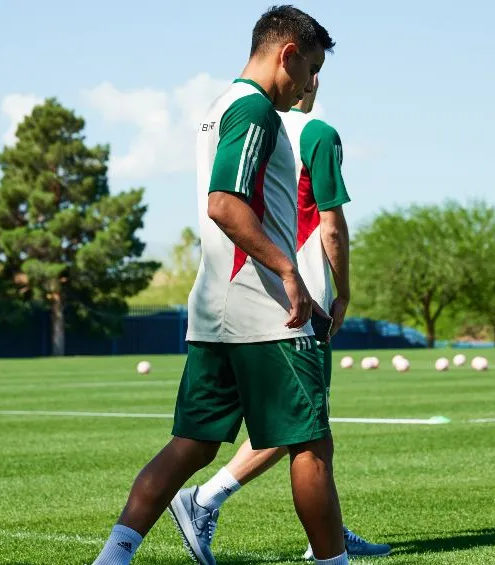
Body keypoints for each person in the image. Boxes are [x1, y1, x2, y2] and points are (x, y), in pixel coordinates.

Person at [89, 5, 348, 565]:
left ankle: (113, 558)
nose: (310, 83)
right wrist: (288, 271)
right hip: (267, 312)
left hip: (214, 310)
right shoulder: (256, 110)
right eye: (311, 68)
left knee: (194, 444)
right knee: (310, 443)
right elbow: (225, 205)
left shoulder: (217, 107)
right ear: (288, 55)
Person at [167, 77, 392, 561]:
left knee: (303, 427)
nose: (312, 81)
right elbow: (330, 224)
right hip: (299, 298)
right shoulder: (318, 134)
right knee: (306, 425)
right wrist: (344, 291)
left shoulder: (250, 122)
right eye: (312, 68)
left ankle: (324, 532)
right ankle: (208, 499)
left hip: (239, 293)